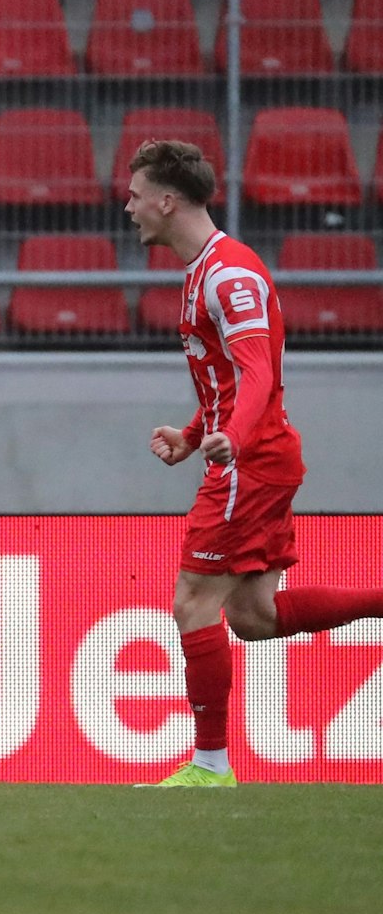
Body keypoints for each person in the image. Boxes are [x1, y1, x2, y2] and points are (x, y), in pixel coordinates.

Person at [129, 139, 383, 787]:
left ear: (166, 199)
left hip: (253, 462)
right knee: (253, 617)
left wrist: (233, 440)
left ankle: (211, 765)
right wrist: (193, 434)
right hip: (250, 454)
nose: (128, 207)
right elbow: (227, 379)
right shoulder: (202, 272)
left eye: (135, 195)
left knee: (193, 602)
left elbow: (259, 371)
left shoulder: (228, 275)